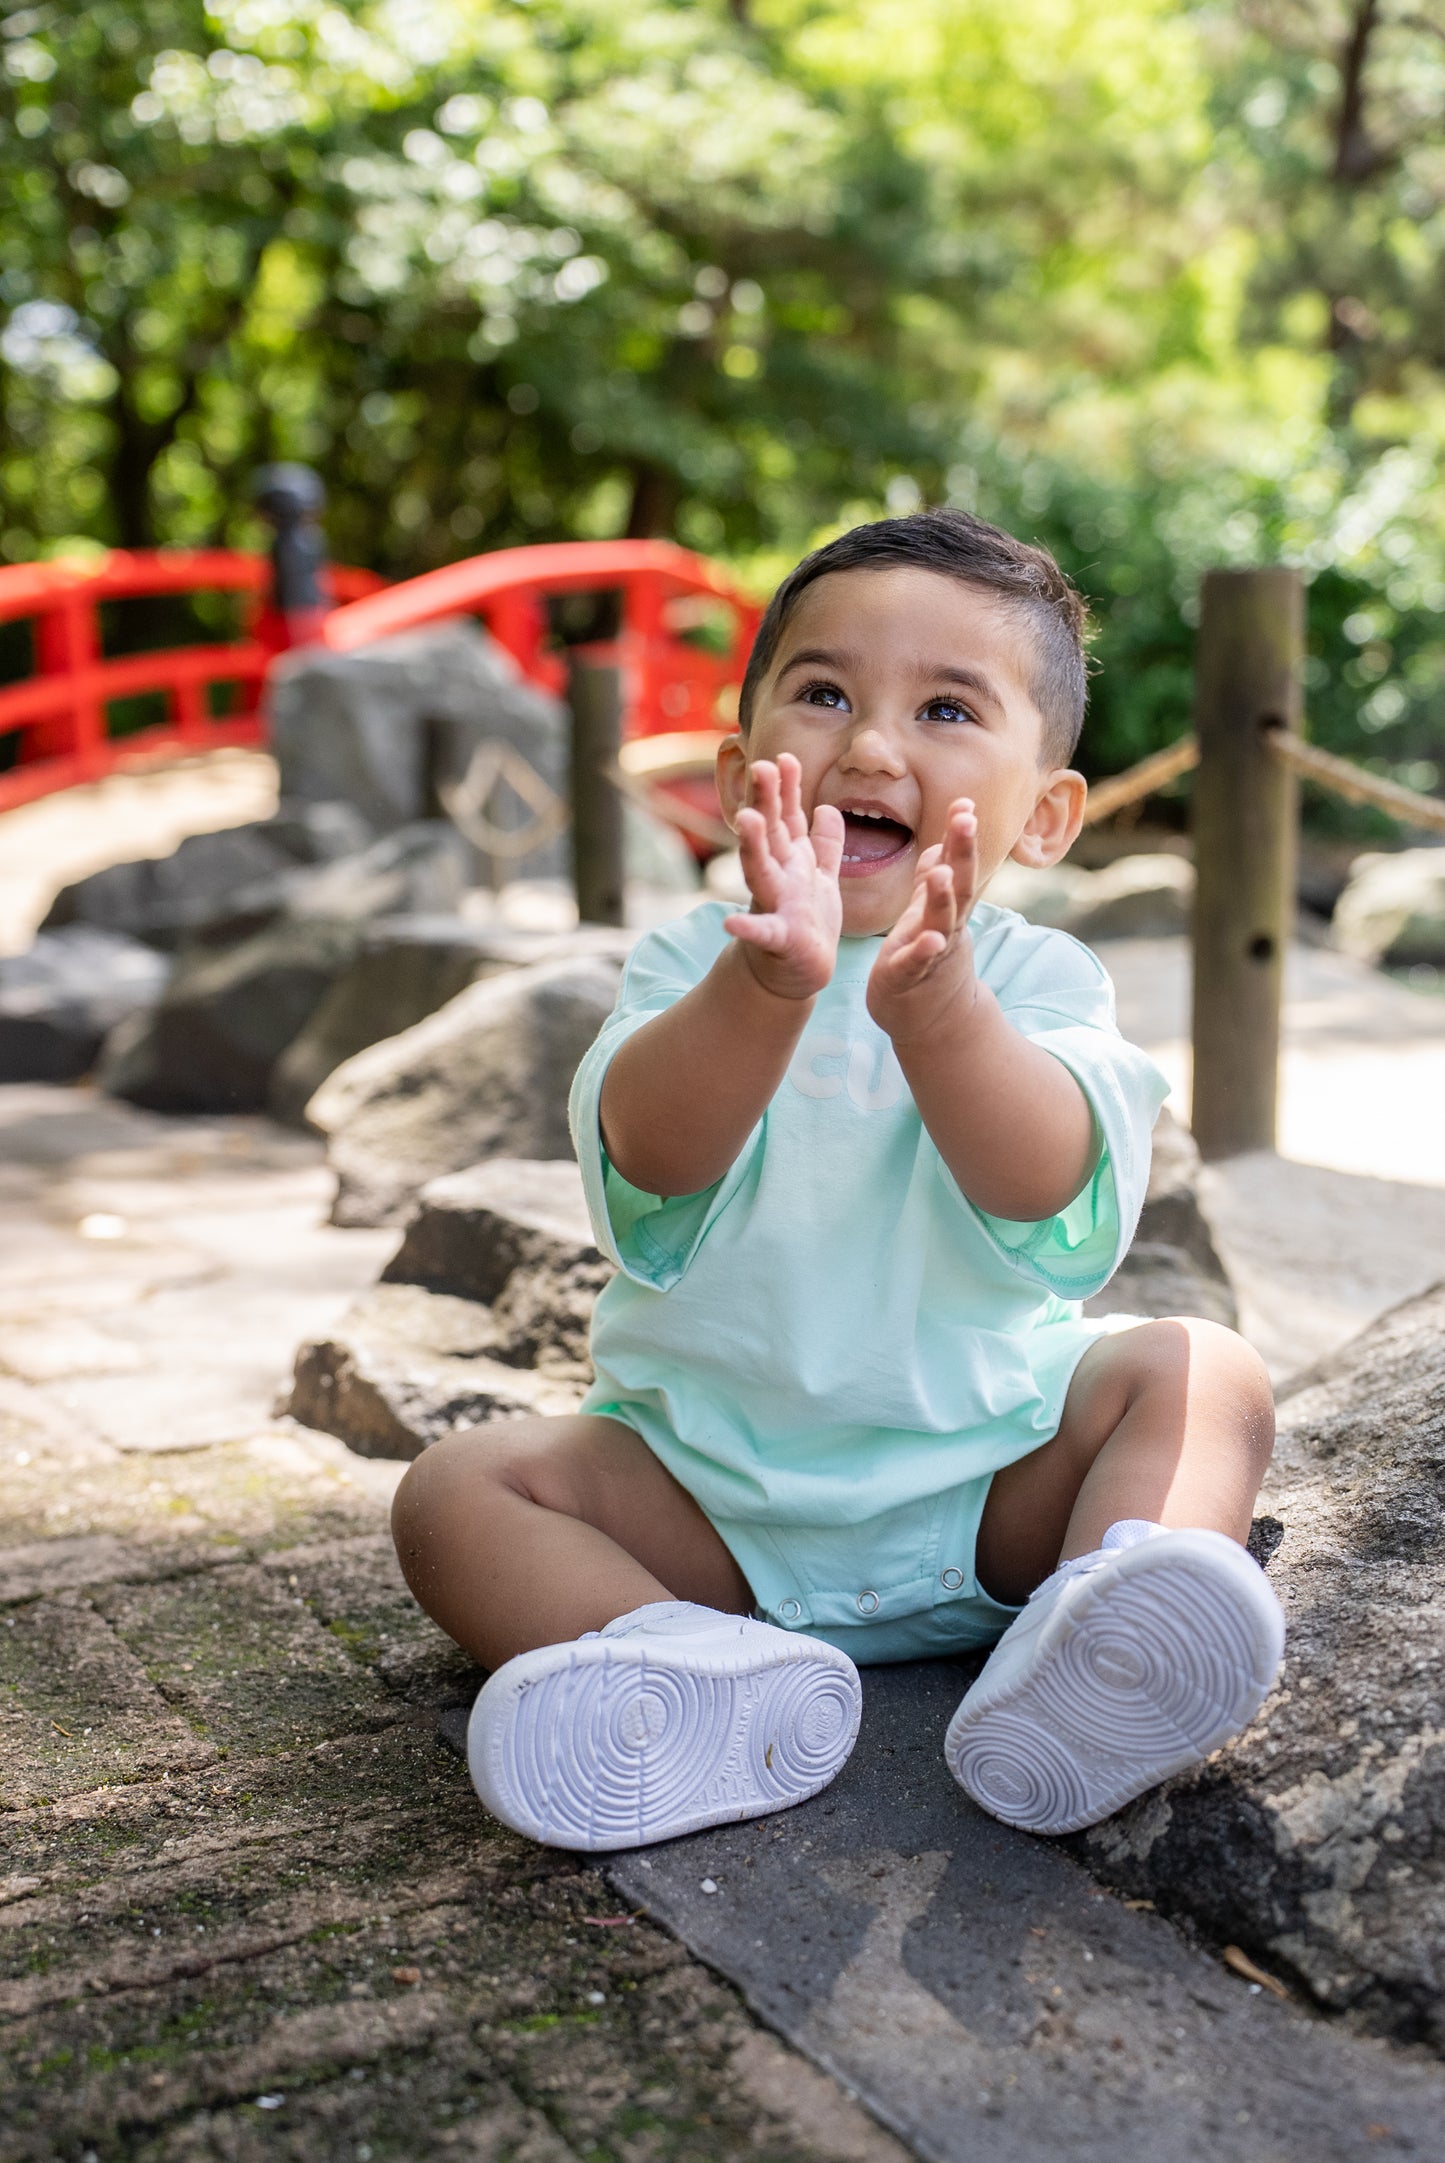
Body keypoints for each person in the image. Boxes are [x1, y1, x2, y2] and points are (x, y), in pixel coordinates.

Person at [391, 508, 1284, 1853]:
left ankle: (1106, 1632)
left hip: (986, 1490)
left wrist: (939, 1020)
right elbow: (652, 1161)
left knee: (1201, 1369)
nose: (869, 746)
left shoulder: (1041, 980)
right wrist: (764, 987)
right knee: (457, 1494)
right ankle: (687, 1670)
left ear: (1043, 816)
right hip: (709, 1510)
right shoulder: (694, 961)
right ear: (742, 763)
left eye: (943, 709)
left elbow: (1044, 1191)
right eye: (823, 693)